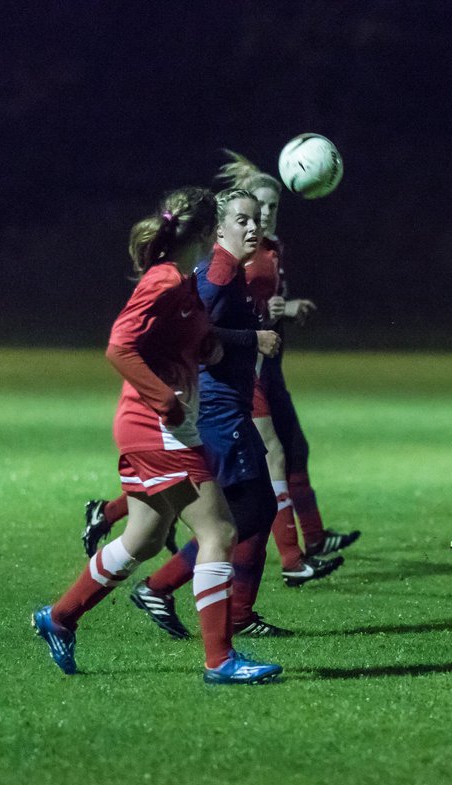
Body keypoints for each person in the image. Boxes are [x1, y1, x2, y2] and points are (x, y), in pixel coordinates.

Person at [31, 187, 281, 685]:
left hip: (158, 421)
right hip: (156, 422)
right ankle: (220, 660)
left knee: (143, 538)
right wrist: (164, 399)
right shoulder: (165, 280)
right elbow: (120, 346)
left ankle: (58, 618)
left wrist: (206, 349)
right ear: (211, 231)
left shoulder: (184, 284)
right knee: (220, 531)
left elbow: (189, 340)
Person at [130, 189, 295, 639]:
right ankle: (165, 591)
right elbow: (194, 330)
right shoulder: (219, 272)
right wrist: (253, 339)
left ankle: (221, 607)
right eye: (242, 220)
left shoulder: (233, 271)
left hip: (230, 409)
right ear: (218, 229)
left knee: (248, 512)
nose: (253, 228)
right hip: (220, 413)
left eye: (256, 220)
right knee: (247, 512)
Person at [217, 150, 360, 584]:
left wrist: (279, 311)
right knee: (251, 467)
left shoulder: (272, 248)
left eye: (274, 209)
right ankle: (294, 558)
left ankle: (307, 545)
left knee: (289, 452)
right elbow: (225, 308)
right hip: (244, 370)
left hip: (266, 365)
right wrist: (269, 310)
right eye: (258, 211)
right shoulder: (237, 256)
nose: (265, 218)